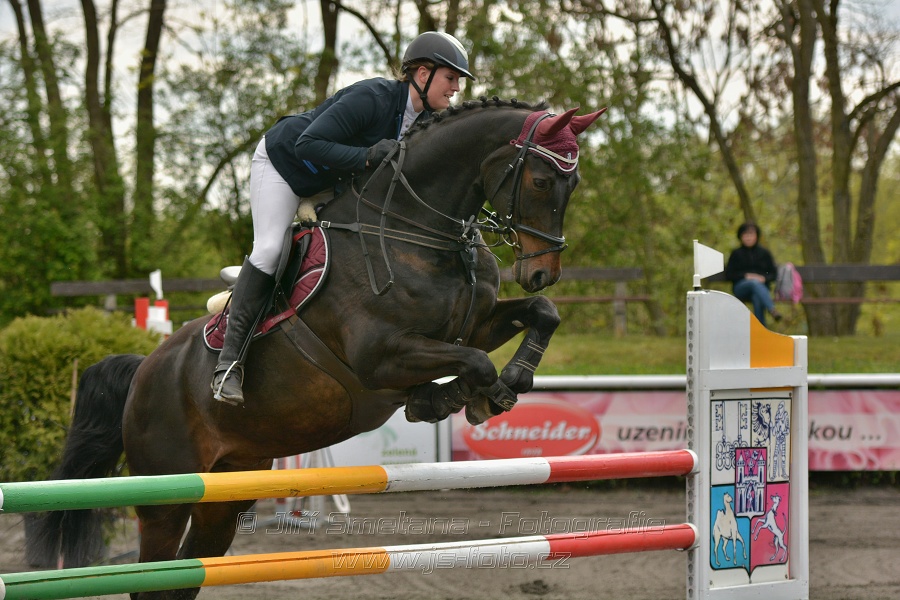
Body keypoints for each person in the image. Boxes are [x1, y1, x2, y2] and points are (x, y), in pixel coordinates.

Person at [211, 31, 476, 406]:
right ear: (422, 74)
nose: (455, 88)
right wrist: (368, 156)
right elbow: (308, 143)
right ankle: (228, 365)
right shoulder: (372, 97)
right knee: (270, 248)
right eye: (451, 78)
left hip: (332, 183)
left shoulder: (427, 122)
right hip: (287, 165)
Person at [725, 222, 783, 326]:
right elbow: (729, 274)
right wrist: (746, 276)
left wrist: (764, 278)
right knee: (753, 283)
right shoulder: (736, 253)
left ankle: (761, 330)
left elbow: (773, 274)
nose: (748, 238)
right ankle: (772, 309)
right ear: (740, 237)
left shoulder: (764, 253)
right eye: (745, 235)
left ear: (756, 236)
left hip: (761, 289)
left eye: (751, 235)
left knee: (757, 296)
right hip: (741, 288)